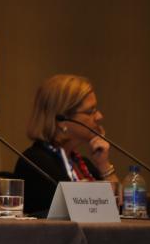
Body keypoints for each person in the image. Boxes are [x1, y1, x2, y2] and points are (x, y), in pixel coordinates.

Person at [14, 74, 119, 217]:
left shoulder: (84, 165)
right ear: (62, 121)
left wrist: (104, 165)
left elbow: (115, 210)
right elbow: (63, 217)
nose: (99, 116)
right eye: (90, 111)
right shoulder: (35, 162)